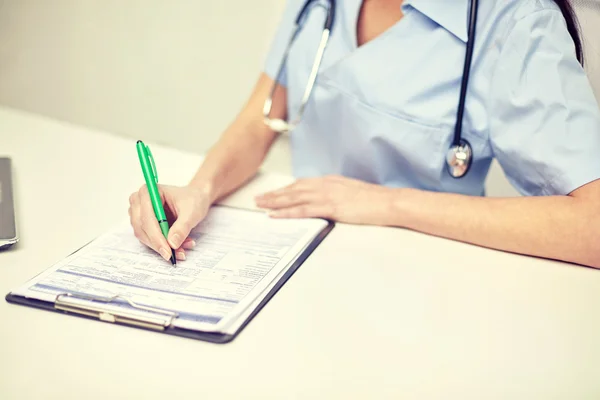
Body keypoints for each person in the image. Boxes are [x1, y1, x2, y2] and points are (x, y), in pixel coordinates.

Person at [128, 0, 600, 269]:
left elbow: (592, 227)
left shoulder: (517, 20)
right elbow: (262, 117)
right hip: (293, 254)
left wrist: (388, 204)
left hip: (429, 276)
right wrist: (199, 189)